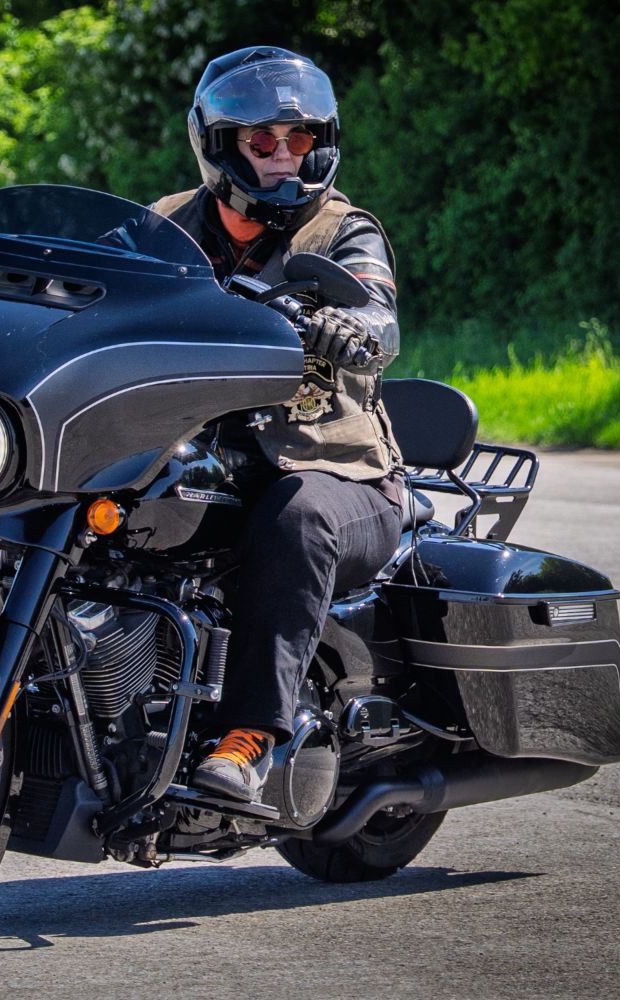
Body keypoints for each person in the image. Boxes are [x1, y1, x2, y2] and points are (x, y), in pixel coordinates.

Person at [150, 46, 406, 802]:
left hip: (337, 476)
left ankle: (251, 738)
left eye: (300, 138)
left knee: (297, 519)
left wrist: (351, 327)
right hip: (206, 458)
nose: (284, 153)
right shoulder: (165, 224)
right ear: (221, 143)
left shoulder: (343, 231)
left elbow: (378, 314)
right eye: (263, 140)